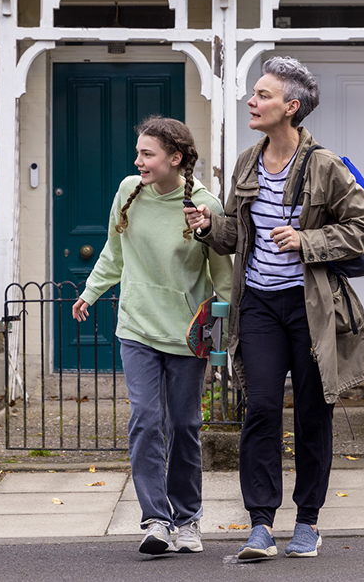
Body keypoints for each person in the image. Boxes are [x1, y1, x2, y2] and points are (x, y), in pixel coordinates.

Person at [184, 57, 364, 559]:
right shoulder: (248, 162)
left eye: (263, 95)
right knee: (262, 409)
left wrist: (306, 239)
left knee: (314, 414)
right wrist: (209, 226)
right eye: (254, 93)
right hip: (260, 307)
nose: (253, 100)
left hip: (312, 309)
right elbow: (234, 236)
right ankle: (261, 524)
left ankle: (309, 521)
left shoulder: (325, 166)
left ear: (290, 107)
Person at [72, 116, 233, 556]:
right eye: (139, 152)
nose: (138, 161)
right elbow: (114, 249)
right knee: (145, 420)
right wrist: (91, 291)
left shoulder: (205, 206)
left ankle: (188, 520)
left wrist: (235, 324)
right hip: (137, 327)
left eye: (148, 154)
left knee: (184, 426)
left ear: (175, 158)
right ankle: (156, 520)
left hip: (185, 333)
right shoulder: (129, 192)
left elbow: (222, 274)